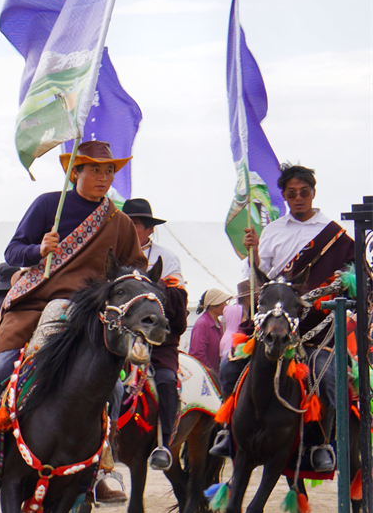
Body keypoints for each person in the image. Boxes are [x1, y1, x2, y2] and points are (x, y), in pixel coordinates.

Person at [0, 141, 147, 492]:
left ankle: (104, 464)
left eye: (109, 171)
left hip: (88, 318)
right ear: (75, 173)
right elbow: (13, 251)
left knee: (114, 387)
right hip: (36, 305)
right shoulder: (48, 205)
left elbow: (133, 269)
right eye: (95, 170)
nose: (103, 177)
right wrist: (38, 249)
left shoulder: (119, 223)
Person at [211, 163, 355, 470]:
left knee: (327, 378)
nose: (299, 198)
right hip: (273, 321)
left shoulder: (335, 235)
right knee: (228, 365)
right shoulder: (272, 231)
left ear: (313, 193)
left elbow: (354, 274)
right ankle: (228, 432)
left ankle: (320, 443)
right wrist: (253, 254)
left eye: (304, 193)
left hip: (314, 327)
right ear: (284, 197)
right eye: (292, 194)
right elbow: (260, 278)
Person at [122, 198, 189, 472]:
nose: (130, 228)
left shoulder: (167, 257)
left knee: (165, 378)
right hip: (118, 338)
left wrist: (150, 287)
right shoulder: (112, 253)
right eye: (126, 224)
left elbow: (178, 300)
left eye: (136, 224)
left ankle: (165, 441)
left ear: (149, 229)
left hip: (156, 339)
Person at [189, 289, 232, 375]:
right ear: (213, 307)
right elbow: (198, 354)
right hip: (205, 377)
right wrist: (213, 374)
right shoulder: (202, 324)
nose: (226, 305)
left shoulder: (219, 324)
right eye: (223, 303)